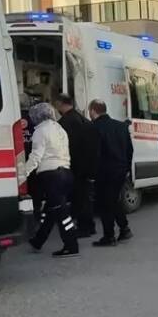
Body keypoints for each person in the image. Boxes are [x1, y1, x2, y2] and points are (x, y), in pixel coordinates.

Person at [25, 102, 80, 257]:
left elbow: (36, 155)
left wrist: (23, 174)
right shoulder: (59, 129)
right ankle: (38, 240)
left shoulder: (40, 131)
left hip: (51, 176)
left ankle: (71, 246)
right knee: (50, 211)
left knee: (62, 214)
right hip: (66, 173)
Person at [88, 99, 134, 246]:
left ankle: (109, 236)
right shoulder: (120, 126)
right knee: (113, 201)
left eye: (90, 111)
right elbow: (129, 150)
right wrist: (126, 168)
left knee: (104, 204)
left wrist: (91, 174)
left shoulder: (94, 128)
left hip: (104, 172)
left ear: (93, 111)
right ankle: (124, 228)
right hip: (120, 170)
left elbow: (95, 153)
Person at [54, 93, 99, 237]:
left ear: (61, 104)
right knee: (85, 198)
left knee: (79, 199)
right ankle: (89, 225)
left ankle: (84, 227)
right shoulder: (84, 120)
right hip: (87, 166)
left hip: (74, 166)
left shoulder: (64, 123)